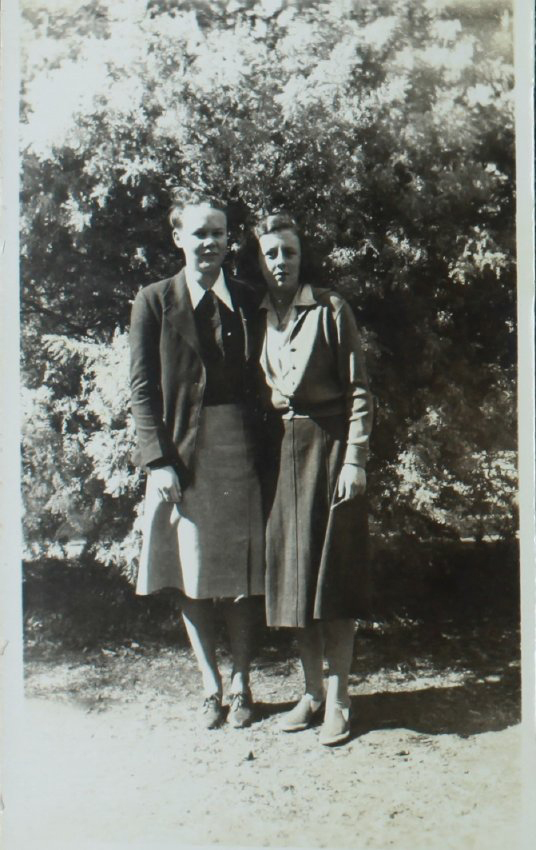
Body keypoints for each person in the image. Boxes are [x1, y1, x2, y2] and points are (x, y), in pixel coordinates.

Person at [130, 193, 264, 730]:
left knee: (243, 574)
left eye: (218, 233)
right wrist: (157, 460)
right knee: (193, 573)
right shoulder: (155, 300)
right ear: (178, 238)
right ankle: (210, 684)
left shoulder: (249, 299)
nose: (209, 242)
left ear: (229, 240)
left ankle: (242, 682)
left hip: (243, 449)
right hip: (183, 453)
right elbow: (141, 388)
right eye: (199, 233)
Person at [253, 211, 373, 746]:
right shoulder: (255, 315)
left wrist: (355, 460)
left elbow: (360, 392)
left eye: (289, 252)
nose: (280, 261)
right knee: (294, 581)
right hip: (282, 454)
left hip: (329, 449)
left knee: (333, 580)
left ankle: (341, 698)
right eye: (271, 253)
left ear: (302, 257)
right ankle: (311, 692)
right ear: (259, 259)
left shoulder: (330, 309)